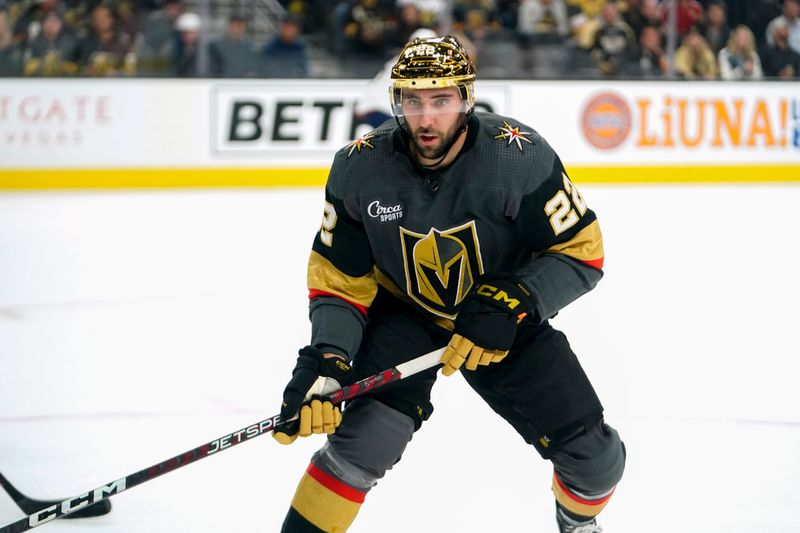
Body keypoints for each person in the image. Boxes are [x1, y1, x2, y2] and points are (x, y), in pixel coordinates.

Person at [273, 34, 625, 533]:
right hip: (405, 316)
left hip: (501, 315)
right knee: (361, 445)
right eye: (412, 101)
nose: (425, 118)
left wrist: (519, 300)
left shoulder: (517, 157)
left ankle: (576, 524)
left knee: (596, 460)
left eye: (441, 100)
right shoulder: (359, 168)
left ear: (466, 98)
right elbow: (339, 281)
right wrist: (329, 356)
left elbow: (582, 252)